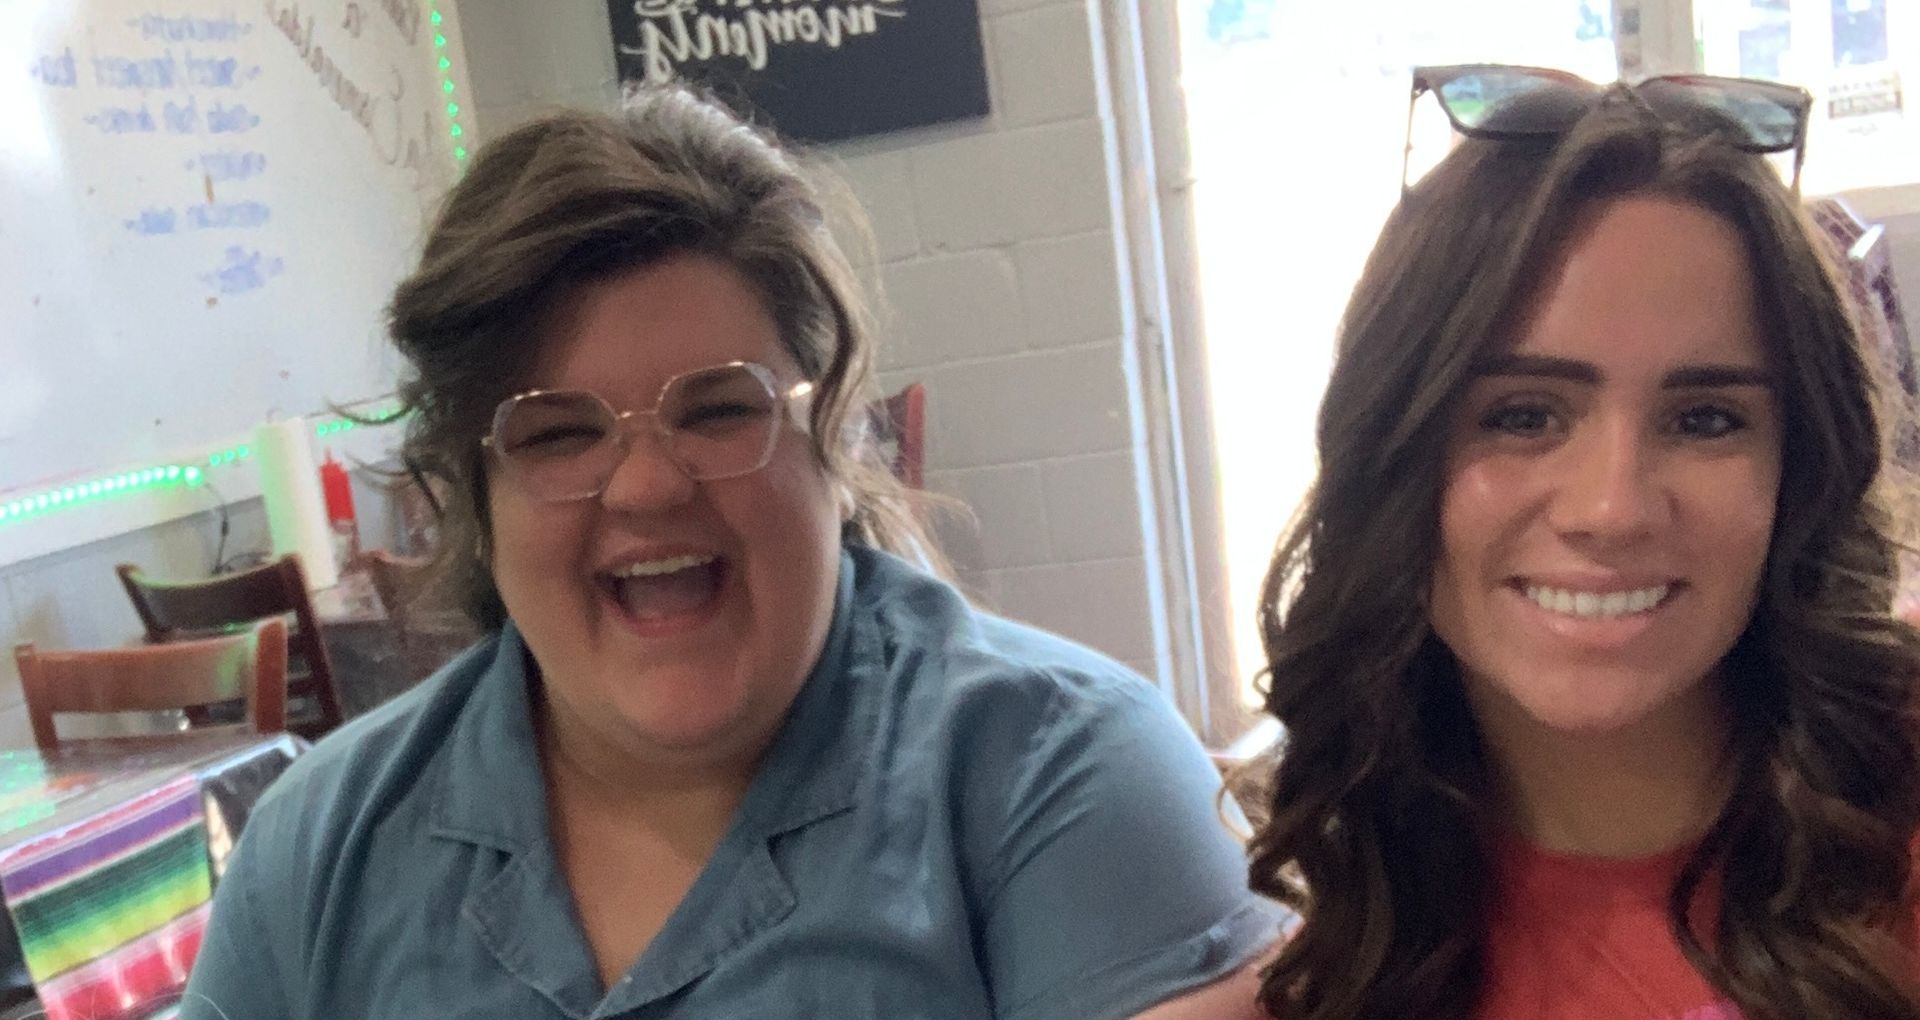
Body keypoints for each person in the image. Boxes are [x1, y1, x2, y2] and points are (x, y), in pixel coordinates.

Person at [182, 87, 1280, 1019]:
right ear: (471, 498)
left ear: (836, 438)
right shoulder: (315, 852)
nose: (651, 484)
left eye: (719, 411)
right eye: (558, 432)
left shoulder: (1067, 779)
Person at [1246, 66, 1920, 1019]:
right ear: (1391, 456)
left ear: (1797, 471)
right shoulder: (1362, 933)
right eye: (1523, 414)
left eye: (1707, 421)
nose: (1612, 509)